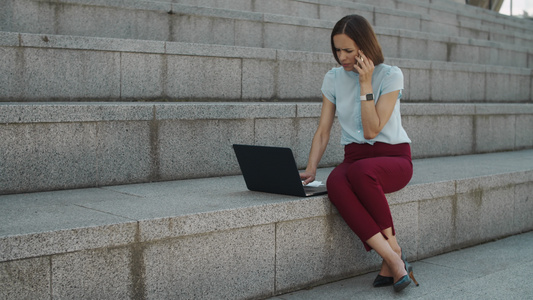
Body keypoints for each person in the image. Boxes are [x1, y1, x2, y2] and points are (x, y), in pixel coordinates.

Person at [300, 15, 419, 292]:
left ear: (364, 47)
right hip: (355, 159)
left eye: (348, 51)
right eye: (337, 50)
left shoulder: (391, 75)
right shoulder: (333, 78)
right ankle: (393, 256)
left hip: (393, 159)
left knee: (359, 172)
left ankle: (394, 259)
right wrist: (311, 168)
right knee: (335, 181)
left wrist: (366, 84)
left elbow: (371, 131)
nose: (341, 57)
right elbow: (323, 130)